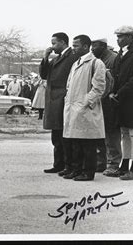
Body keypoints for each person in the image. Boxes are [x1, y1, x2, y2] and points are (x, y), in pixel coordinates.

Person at [63, 35, 106, 181]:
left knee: (88, 144)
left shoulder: (96, 63)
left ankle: (88, 172)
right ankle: (77, 170)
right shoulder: (76, 63)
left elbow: (99, 87)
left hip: (85, 108)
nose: (73, 48)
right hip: (73, 107)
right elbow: (69, 85)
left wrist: (86, 102)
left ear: (86, 46)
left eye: (76, 46)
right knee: (76, 142)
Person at [39, 32, 80, 175]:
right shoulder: (57, 58)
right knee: (56, 135)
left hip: (63, 99)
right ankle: (58, 164)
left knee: (64, 135)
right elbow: (44, 74)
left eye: (54, 43)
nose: (52, 46)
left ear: (63, 42)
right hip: (53, 99)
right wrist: (45, 57)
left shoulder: (72, 57)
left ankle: (68, 165)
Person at [109, 26, 133, 180]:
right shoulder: (121, 54)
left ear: (131, 37)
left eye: (121, 36)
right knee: (124, 133)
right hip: (121, 99)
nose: (118, 39)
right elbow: (115, 75)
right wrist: (112, 91)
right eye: (117, 36)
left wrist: (119, 92)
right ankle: (124, 165)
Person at [91, 38, 121, 176]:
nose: (92, 49)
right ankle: (101, 162)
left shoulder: (113, 59)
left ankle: (113, 163)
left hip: (111, 102)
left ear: (103, 46)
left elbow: (117, 80)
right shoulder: (97, 59)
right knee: (101, 133)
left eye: (94, 46)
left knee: (111, 133)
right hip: (101, 101)